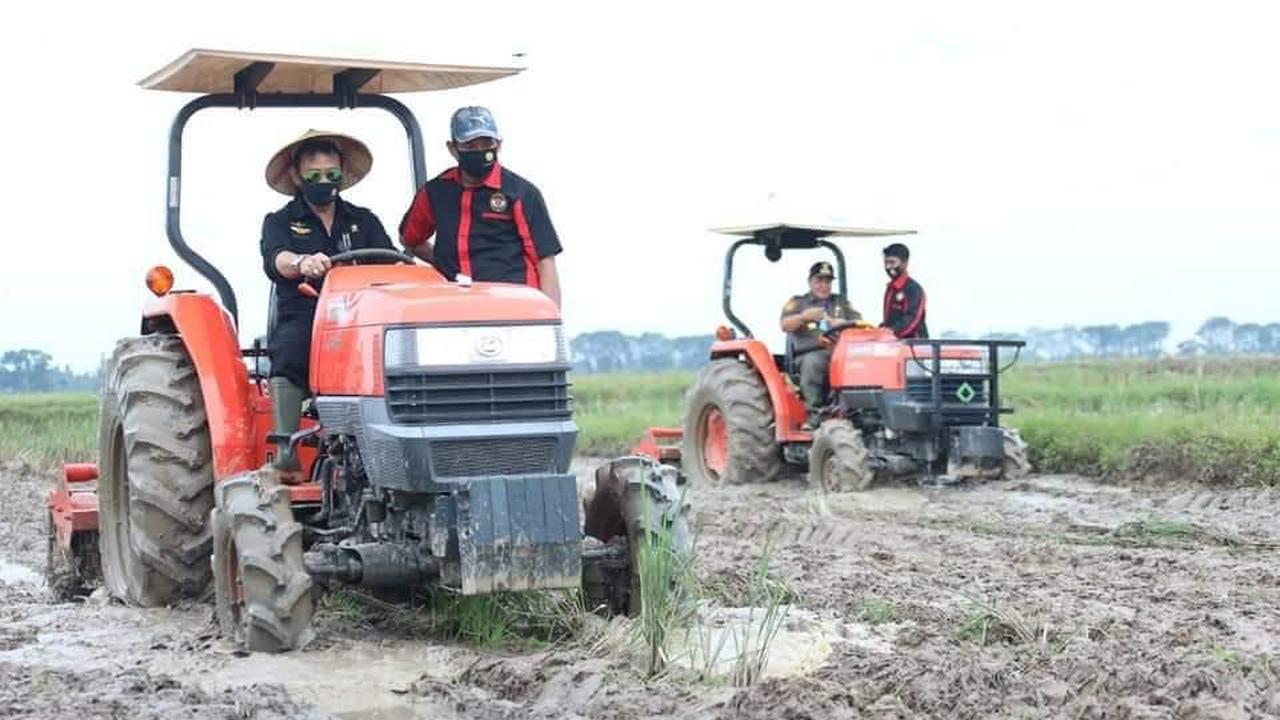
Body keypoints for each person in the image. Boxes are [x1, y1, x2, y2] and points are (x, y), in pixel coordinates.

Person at [259, 129, 394, 471]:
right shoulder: (280, 222)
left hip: (361, 317)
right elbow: (277, 259)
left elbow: (392, 262)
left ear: (342, 174)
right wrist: (301, 263)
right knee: (292, 345)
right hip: (308, 312)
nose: (324, 182)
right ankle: (287, 451)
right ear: (296, 176)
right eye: (314, 176)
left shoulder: (363, 221)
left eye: (331, 175)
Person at [399, 106, 563, 307]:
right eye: (470, 145)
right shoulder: (435, 192)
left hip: (515, 306)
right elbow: (411, 239)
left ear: (499, 145)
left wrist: (552, 317)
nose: (480, 151)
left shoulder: (521, 193)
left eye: (487, 144)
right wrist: (444, 263)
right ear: (453, 148)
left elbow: (545, 261)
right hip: (457, 304)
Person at [779, 261, 863, 429]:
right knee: (814, 362)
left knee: (860, 363)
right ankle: (814, 414)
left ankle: (855, 411)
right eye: (819, 281)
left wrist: (842, 323)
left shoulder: (841, 302)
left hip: (839, 352)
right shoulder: (798, 303)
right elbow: (785, 325)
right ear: (810, 282)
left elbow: (859, 322)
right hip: (809, 353)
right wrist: (803, 317)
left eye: (827, 281)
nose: (824, 286)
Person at [881, 242, 928, 339]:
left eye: (892, 262)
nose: (888, 267)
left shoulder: (913, 289)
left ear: (905, 263)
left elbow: (912, 320)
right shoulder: (891, 288)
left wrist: (890, 332)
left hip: (914, 344)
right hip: (894, 342)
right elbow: (890, 320)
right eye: (886, 263)